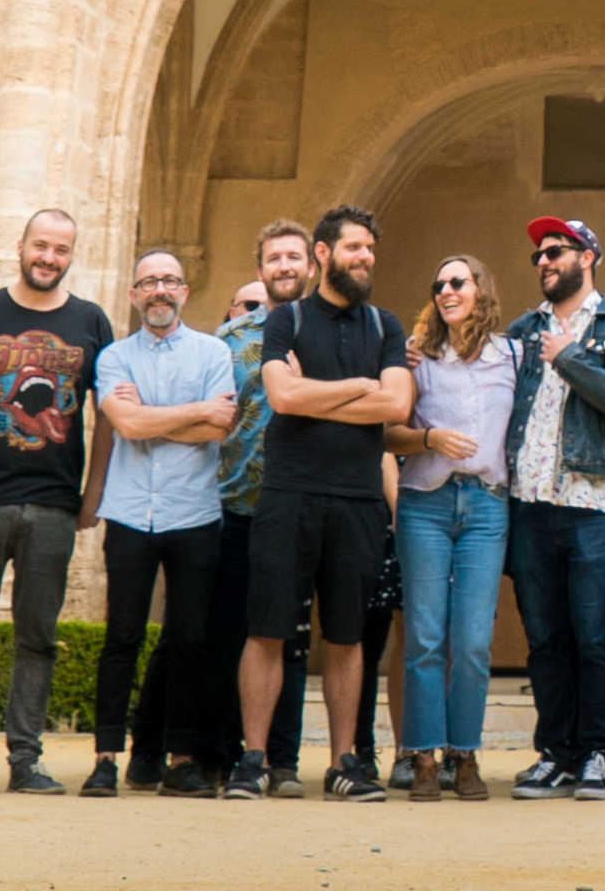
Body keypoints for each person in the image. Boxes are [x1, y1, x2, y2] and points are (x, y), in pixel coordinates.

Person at [236, 205, 414, 803]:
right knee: (266, 630)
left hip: (359, 498)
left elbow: (396, 407)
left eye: (370, 249)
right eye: (353, 247)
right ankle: (254, 761)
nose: (364, 258)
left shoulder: (386, 326)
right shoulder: (284, 320)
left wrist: (320, 392)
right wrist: (359, 386)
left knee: (346, 635)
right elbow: (281, 398)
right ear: (322, 253)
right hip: (289, 493)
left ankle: (344, 763)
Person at [0, 207, 113, 795]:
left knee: (38, 637)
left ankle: (24, 760)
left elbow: (104, 417)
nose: (49, 258)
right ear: (21, 246)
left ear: (71, 255)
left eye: (61, 249)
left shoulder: (91, 320)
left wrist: (92, 494)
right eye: (41, 245)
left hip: (55, 505)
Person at [503, 218, 605, 801]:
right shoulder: (522, 328)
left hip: (592, 501)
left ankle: (597, 751)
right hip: (531, 499)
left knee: (594, 635)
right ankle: (556, 754)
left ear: (588, 256)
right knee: (544, 637)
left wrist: (570, 358)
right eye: (539, 254)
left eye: (556, 251)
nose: (544, 261)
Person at [88, 245, 236, 797]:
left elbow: (219, 426)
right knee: (121, 637)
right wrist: (189, 412)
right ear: (133, 295)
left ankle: (180, 760)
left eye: (169, 281)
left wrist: (149, 418)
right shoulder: (114, 357)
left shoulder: (212, 353)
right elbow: (123, 424)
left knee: (189, 639)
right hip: (129, 512)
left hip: (194, 512)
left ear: (184, 292)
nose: (159, 291)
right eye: (149, 282)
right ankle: (105, 758)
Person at [387, 251, 516, 800]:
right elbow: (388, 432)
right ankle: (421, 755)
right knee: (424, 636)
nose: (446, 290)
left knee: (471, 640)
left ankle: (464, 754)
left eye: (457, 281)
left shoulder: (511, 355)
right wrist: (428, 439)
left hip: (486, 503)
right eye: (438, 283)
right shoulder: (416, 359)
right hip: (425, 502)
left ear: (480, 289)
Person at [199, 223, 313, 793]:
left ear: (311, 264)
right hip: (235, 505)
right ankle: (226, 756)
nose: (285, 265)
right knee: (231, 635)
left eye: (294, 255)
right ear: (262, 268)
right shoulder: (229, 340)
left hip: (301, 507)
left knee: (290, 638)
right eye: (275, 257)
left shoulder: (328, 335)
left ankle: (284, 760)